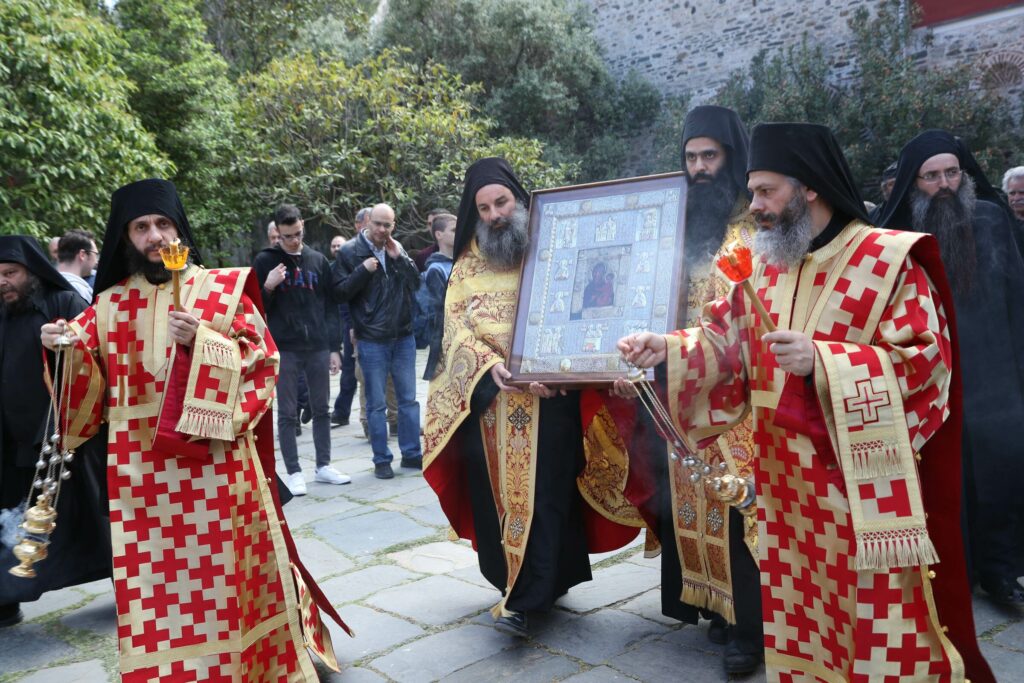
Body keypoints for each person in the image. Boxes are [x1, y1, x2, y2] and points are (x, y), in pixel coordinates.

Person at [619, 124, 992, 682]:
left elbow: (925, 363)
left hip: (861, 494)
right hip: (786, 489)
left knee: (875, 623)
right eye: (753, 193)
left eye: (766, 192)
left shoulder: (886, 260)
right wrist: (664, 350)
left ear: (809, 188)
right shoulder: (763, 266)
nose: (755, 206)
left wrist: (824, 361)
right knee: (802, 615)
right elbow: (724, 342)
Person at [39, 179, 350, 679]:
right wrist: (60, 345)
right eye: (141, 228)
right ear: (125, 239)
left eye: (163, 224)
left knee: (228, 582)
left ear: (179, 229)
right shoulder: (109, 305)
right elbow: (83, 391)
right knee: (157, 588)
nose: (155, 236)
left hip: (217, 467)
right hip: (143, 480)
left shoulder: (221, 290)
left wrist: (207, 341)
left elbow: (262, 359)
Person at [423, 158, 638, 637]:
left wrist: (561, 366)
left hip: (554, 399)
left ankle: (547, 584)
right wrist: (491, 365)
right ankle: (518, 593)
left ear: (519, 200)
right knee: (499, 500)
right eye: (484, 208)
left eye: (501, 202)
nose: (496, 214)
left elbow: (583, 310)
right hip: (494, 408)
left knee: (550, 497)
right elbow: (455, 332)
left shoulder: (555, 250)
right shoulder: (466, 266)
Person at [610, 105, 763, 675]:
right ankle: (716, 612)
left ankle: (751, 628)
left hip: (740, 403)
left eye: (710, 157)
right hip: (679, 395)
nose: (699, 168)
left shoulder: (755, 231)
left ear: (731, 159)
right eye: (690, 157)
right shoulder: (673, 226)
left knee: (739, 509)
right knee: (692, 504)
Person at [877, 130, 1024, 605]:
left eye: (952, 172)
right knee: (943, 483)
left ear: (964, 174)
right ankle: (946, 579)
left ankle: (1001, 573)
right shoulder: (893, 236)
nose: (943, 183)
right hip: (929, 375)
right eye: (931, 175)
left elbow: (1018, 297)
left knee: (1001, 472)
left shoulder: (991, 219)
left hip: (993, 370)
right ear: (912, 182)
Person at [0, 236, 110, 629]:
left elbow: (96, 353)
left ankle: (135, 587)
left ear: (31, 272)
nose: (4, 282)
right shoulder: (2, 311)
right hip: (13, 439)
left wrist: (64, 342)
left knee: (96, 516)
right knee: (11, 518)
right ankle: (5, 600)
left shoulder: (64, 302)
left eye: (11, 273)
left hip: (68, 436)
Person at [254, 205, 349, 495]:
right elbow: (255, 308)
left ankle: (323, 466)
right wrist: (268, 287)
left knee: (321, 408)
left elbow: (331, 307)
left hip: (319, 345)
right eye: (286, 237)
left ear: (302, 226)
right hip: (286, 347)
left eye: (297, 234)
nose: (293, 241)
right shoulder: (265, 260)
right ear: (277, 234)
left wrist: (335, 348)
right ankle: (294, 471)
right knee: (287, 413)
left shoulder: (318, 260)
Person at [333, 203, 423, 479]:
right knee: (375, 403)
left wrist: (401, 259)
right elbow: (338, 293)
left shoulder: (397, 248)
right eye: (378, 224)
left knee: (408, 400)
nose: (383, 230)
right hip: (372, 339)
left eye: (388, 225)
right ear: (367, 223)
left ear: (393, 226)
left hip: (403, 335)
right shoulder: (349, 252)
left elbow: (416, 284)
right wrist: (362, 270)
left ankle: (411, 454)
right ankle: (381, 459)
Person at [421, 212, 456, 380]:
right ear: (439, 234)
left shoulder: (461, 263)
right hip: (446, 338)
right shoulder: (436, 269)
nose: (459, 233)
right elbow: (438, 312)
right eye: (454, 230)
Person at [330, 234, 359, 427]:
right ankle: (341, 412)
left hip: (358, 323)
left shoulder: (356, 265)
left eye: (340, 245)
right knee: (349, 370)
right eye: (333, 246)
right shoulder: (331, 269)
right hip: (343, 323)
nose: (337, 249)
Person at [54, 229, 99, 302]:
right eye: (95, 254)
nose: (97, 261)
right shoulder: (81, 293)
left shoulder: (43, 286)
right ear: (82, 255)